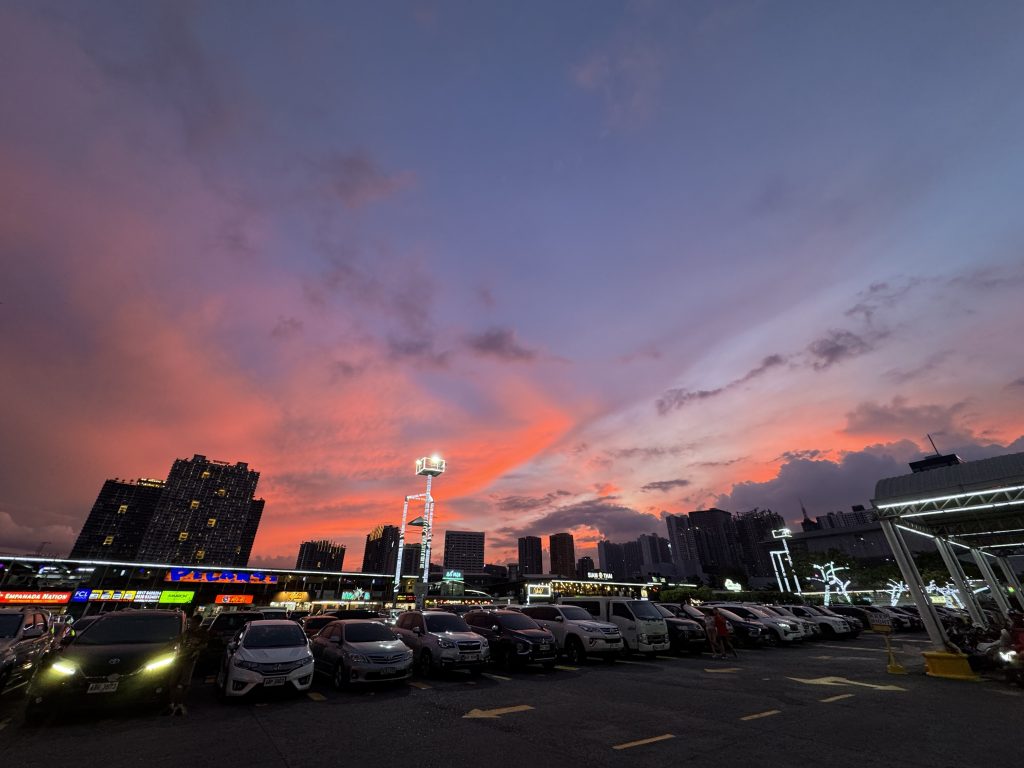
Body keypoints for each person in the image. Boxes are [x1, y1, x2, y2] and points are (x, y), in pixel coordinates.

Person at [168, 614, 208, 716]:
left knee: (184, 684)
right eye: (190, 623)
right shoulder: (187, 632)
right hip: (179, 658)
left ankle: (180, 704)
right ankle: (172, 703)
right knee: (173, 682)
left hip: (190, 660)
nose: (190, 624)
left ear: (198, 623)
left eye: (192, 623)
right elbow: (177, 640)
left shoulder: (203, 634)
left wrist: (197, 650)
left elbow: (204, 645)